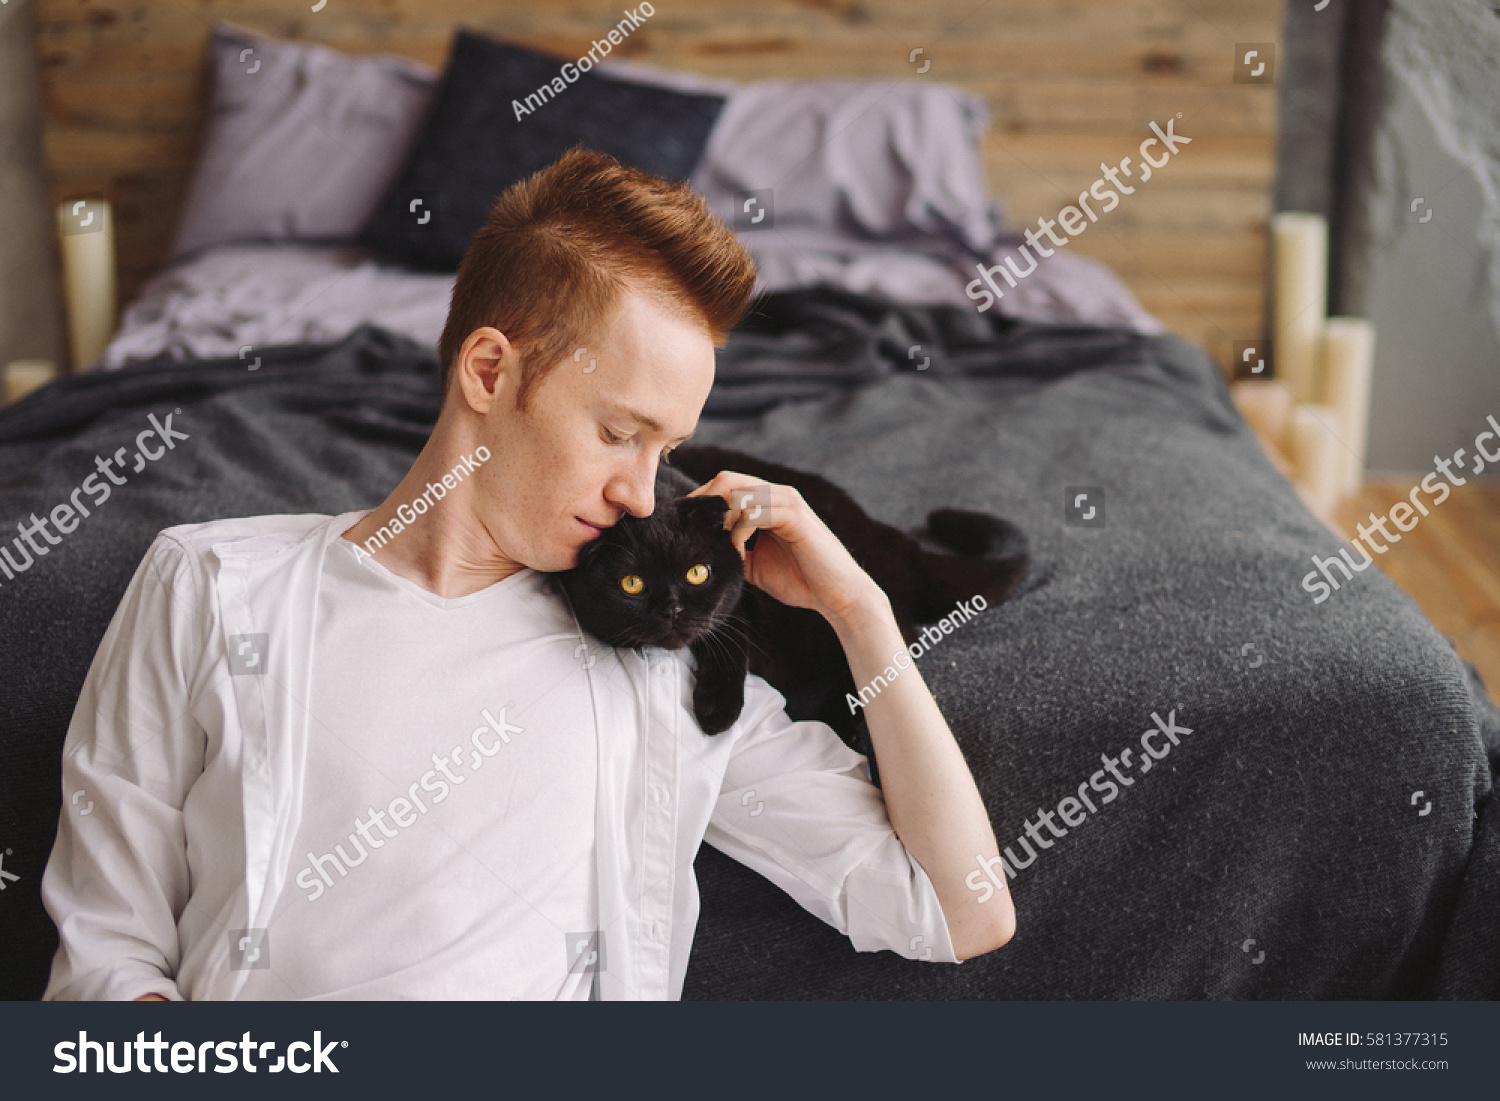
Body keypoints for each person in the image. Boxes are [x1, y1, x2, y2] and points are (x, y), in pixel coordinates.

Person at [41, 148, 1014, 1001]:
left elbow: (963, 910)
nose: (645, 495)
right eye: (620, 433)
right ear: (491, 372)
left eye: (665, 448)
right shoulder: (211, 588)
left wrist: (862, 609)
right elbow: (106, 947)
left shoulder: (655, 665)